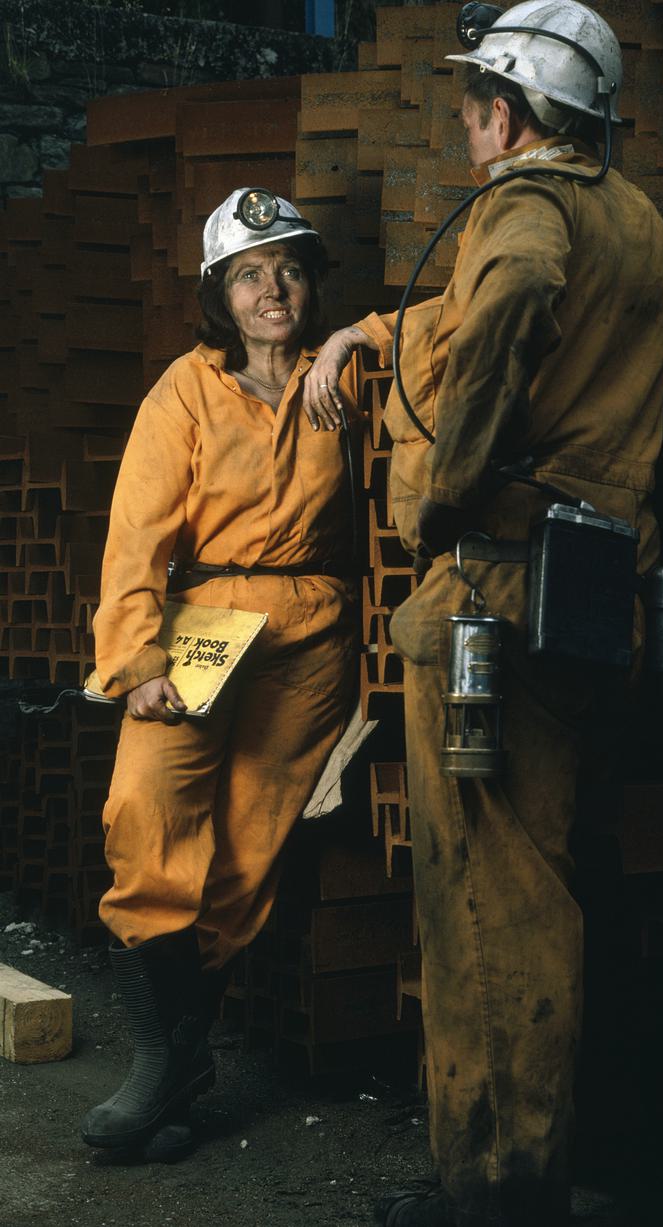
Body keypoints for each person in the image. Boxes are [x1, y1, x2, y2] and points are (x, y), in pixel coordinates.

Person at [306, 2, 663, 1223]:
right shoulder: (637, 223)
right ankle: (538, 1164)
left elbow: (513, 287)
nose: (468, 131)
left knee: (483, 894)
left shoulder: (525, 208)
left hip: (500, 589)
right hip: (592, 591)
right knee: (545, 875)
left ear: (512, 114)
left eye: (475, 109)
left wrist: (445, 487)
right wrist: (370, 328)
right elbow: (504, 321)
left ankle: (495, 1186)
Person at [81, 188, 360, 1157]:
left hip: (311, 631)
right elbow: (136, 536)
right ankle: (165, 1060)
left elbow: (446, 330)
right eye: (248, 275)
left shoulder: (347, 378)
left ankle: (171, 1070)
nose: (271, 289)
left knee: (247, 848)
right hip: (202, 619)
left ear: (311, 282)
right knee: (145, 809)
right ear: (219, 295)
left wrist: (354, 339)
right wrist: (134, 659)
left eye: (288, 268)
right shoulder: (186, 391)